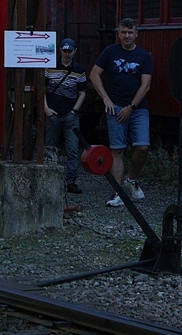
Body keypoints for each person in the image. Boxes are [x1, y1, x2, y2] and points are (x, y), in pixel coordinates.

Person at [88, 18, 154, 206]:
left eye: (130, 32)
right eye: (124, 32)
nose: (127, 36)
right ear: (118, 34)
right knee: (117, 150)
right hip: (114, 106)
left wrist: (131, 107)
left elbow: (146, 85)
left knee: (142, 147)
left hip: (137, 108)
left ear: (136, 34)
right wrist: (106, 99)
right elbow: (94, 75)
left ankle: (131, 180)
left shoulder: (144, 56)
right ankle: (118, 194)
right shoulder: (110, 52)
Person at [43, 39, 89, 194]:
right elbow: (42, 89)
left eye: (70, 51)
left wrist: (74, 111)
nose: (67, 54)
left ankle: (70, 181)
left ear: (75, 51)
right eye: (64, 50)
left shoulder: (79, 70)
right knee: (50, 148)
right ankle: (48, 180)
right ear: (60, 50)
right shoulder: (49, 67)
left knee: (73, 150)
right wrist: (46, 109)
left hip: (70, 114)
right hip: (53, 113)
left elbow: (83, 93)